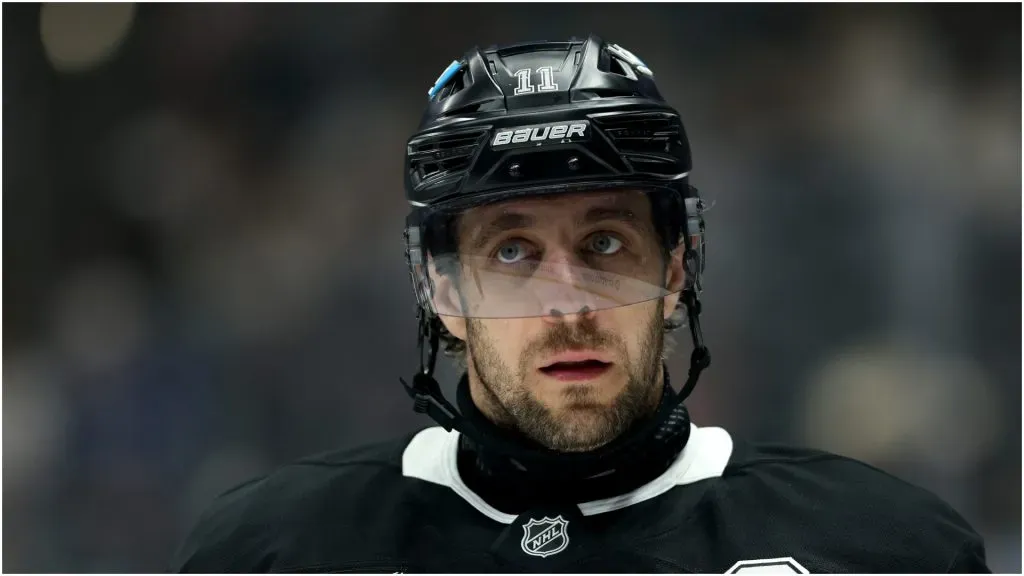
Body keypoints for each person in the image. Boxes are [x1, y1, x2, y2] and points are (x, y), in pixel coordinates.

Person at [172, 35, 989, 573]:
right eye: (512, 252)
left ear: (676, 269)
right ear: (442, 291)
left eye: (604, 245)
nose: (569, 307)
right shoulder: (270, 553)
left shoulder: (884, 550)